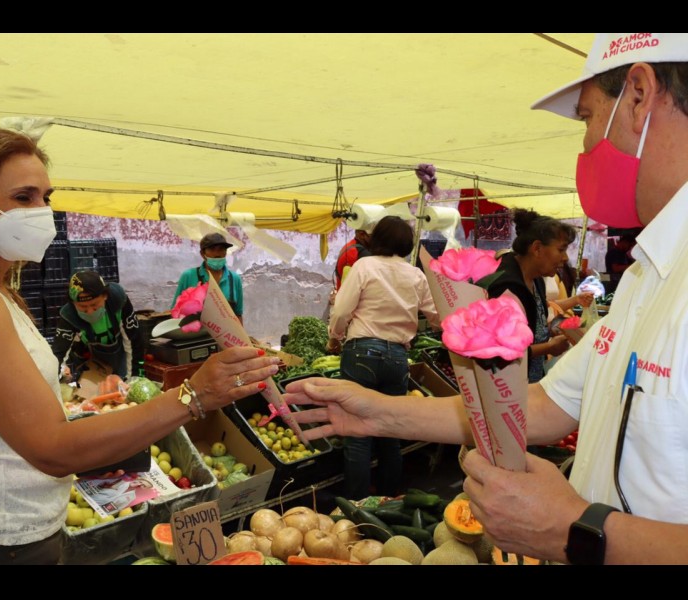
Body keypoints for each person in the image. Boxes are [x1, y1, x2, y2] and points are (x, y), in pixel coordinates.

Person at [283, 33, 688, 565]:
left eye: (588, 118)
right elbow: (542, 406)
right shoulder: (646, 275)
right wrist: (376, 414)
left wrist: (576, 531)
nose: (587, 144)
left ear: (638, 94)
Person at [0, 128, 281, 565]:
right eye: (23, 197)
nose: (42, 212)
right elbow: (53, 449)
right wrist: (193, 395)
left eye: (46, 197)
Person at [327, 216, 439, 499]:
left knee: (358, 434)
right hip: (397, 357)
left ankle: (357, 505)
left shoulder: (365, 266)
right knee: (389, 431)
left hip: (361, 353)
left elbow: (341, 311)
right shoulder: (416, 275)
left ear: (377, 239)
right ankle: (389, 500)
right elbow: (437, 317)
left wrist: (334, 336)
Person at [478, 208, 575, 383]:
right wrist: (548, 348)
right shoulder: (507, 287)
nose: (565, 258)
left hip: (531, 379)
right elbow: (499, 352)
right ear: (537, 248)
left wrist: (550, 330)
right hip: (507, 386)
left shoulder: (537, 279)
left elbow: (530, 326)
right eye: (561, 250)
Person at [52, 270, 145, 381]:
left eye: (94, 304)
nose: (90, 311)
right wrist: (56, 378)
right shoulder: (69, 315)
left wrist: (136, 376)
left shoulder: (117, 300)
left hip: (122, 356)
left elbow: (134, 341)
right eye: (83, 307)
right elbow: (58, 353)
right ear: (73, 303)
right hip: (90, 362)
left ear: (105, 296)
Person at [172, 232, 244, 325]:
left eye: (221, 249)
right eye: (212, 249)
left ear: (226, 252)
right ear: (202, 254)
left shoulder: (234, 279)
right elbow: (175, 312)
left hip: (225, 333)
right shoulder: (188, 276)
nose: (217, 254)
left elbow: (238, 314)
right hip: (195, 333)